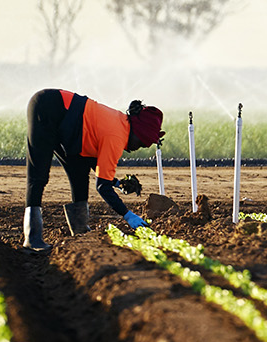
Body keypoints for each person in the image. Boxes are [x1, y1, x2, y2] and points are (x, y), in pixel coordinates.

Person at [21, 88, 163, 252]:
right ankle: (32, 238)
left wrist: (117, 183)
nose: (139, 147)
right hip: (48, 106)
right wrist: (128, 215)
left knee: (79, 172)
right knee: (38, 174)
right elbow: (102, 187)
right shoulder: (117, 136)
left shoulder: (121, 124)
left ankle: (80, 231)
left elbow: (95, 165)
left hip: (68, 126)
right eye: (142, 143)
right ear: (138, 133)